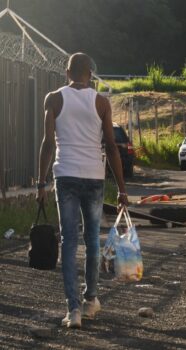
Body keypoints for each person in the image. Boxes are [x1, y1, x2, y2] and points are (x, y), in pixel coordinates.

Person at [36, 52, 129, 329]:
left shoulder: (53, 98)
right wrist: (122, 189)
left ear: (67, 73)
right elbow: (111, 147)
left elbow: (47, 143)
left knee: (69, 240)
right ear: (90, 74)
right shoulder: (101, 102)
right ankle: (91, 300)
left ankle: (73, 309)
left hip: (65, 175)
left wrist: (41, 183)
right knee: (92, 240)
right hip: (93, 176)